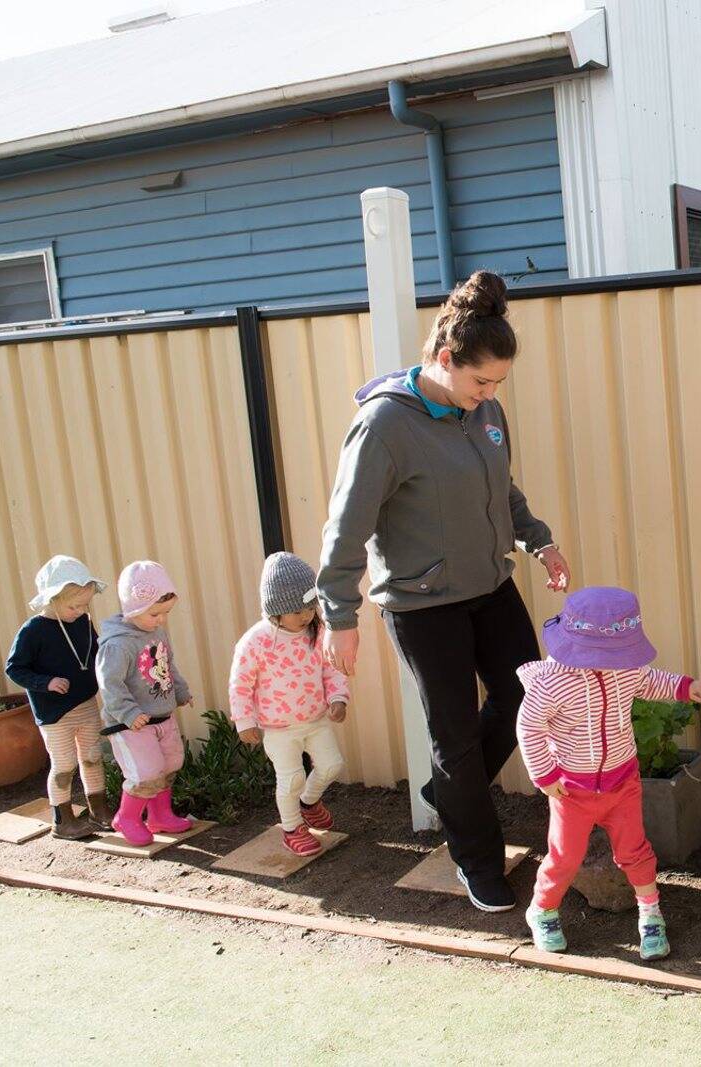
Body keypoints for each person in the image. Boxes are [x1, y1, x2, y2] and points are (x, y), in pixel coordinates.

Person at [318, 268, 570, 912]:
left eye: (499, 384)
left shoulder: (483, 412)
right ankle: (477, 862)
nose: (489, 394)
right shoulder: (384, 426)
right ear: (445, 358)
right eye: (480, 380)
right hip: (423, 605)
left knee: (526, 696)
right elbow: (346, 527)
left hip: (489, 587)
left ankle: (448, 793)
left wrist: (537, 540)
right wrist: (339, 614)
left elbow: (501, 490)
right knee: (454, 736)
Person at [516, 587, 701, 961]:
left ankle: (650, 915)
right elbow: (528, 728)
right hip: (570, 790)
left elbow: (653, 681)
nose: (615, 662)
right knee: (565, 855)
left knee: (634, 850)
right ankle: (542, 910)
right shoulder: (551, 681)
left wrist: (688, 687)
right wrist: (545, 776)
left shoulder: (626, 669)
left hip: (622, 782)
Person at [228, 552, 349, 856]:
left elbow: (330, 668)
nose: (307, 615)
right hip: (278, 727)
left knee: (332, 765)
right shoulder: (256, 642)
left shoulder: (316, 633)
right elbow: (240, 684)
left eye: (311, 607)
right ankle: (292, 827)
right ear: (276, 609)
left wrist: (337, 698)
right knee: (291, 778)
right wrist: (244, 721)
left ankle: (309, 803)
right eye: (298, 611)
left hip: (316, 718)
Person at [4, 555, 112, 838]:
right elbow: (14, 668)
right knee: (64, 765)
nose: (80, 610)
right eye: (73, 605)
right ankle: (62, 820)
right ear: (51, 599)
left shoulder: (83, 622)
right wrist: (46, 682)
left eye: (85, 604)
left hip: (86, 703)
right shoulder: (32, 631)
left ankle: (98, 810)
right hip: (54, 713)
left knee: (91, 757)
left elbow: (96, 652)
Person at [95, 560, 195, 846]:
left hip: (162, 716)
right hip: (133, 723)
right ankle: (127, 817)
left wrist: (180, 691)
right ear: (133, 609)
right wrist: (128, 712)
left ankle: (160, 815)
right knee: (146, 772)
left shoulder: (156, 632)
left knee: (170, 763)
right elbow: (109, 684)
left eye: (165, 613)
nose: (161, 619)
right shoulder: (117, 645)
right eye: (155, 613)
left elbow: (166, 665)